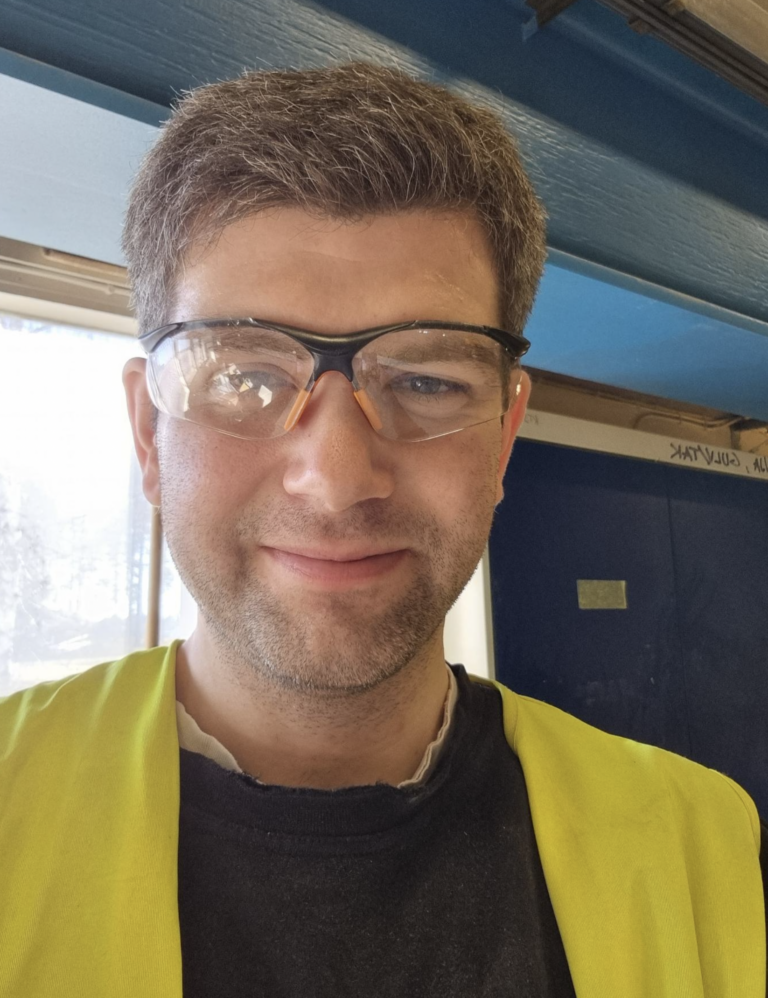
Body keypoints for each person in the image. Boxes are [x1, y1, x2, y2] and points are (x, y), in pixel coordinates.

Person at [0, 62, 764, 998]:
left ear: (503, 436)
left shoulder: (695, 839)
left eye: (427, 380)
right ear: (150, 432)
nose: (335, 480)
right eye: (244, 376)